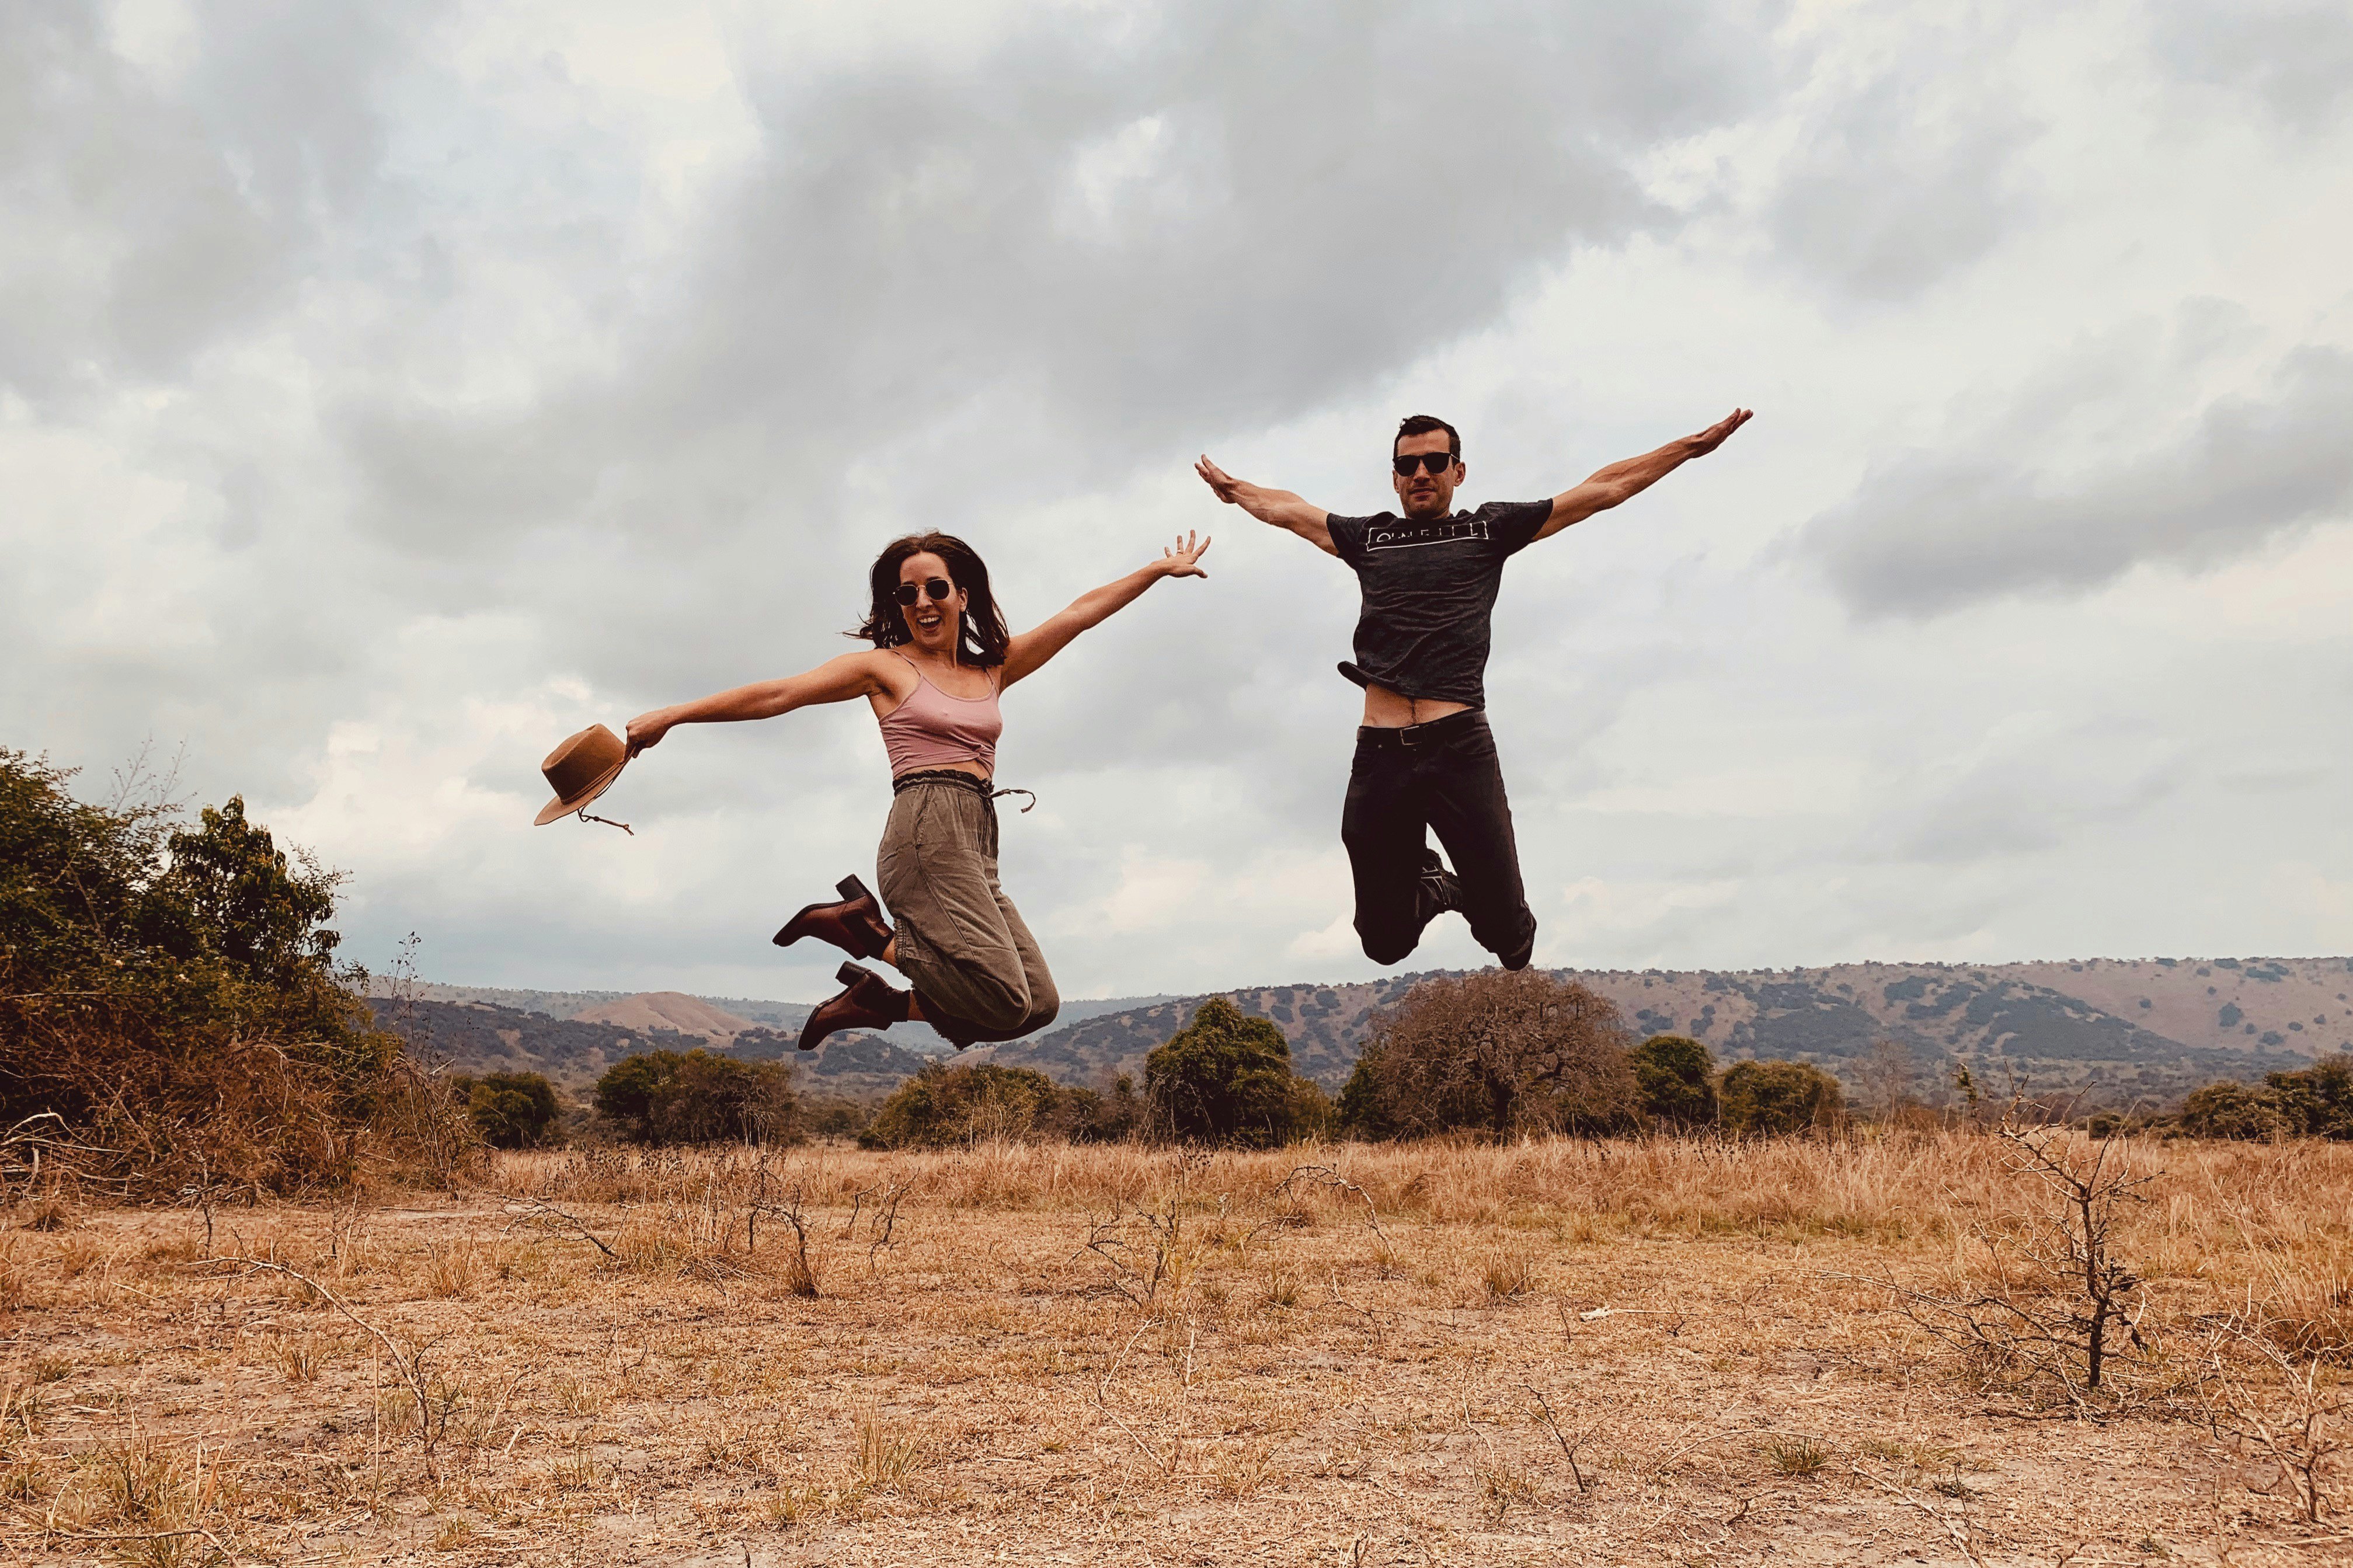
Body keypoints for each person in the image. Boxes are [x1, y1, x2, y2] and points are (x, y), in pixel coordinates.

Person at [1195, 409, 1750, 971]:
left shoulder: (1488, 529)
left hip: (1459, 749)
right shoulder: (1370, 538)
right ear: (1394, 476)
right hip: (1381, 754)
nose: (1421, 473)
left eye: (1435, 462)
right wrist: (1234, 489)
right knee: (1383, 945)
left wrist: (1690, 447)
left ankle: (1489, 908)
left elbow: (1602, 490)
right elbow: (1290, 511)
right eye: (1407, 464)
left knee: (1510, 942)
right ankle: (1432, 885)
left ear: (1458, 472)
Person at [624, 529, 1210, 1051]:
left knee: (1037, 1005)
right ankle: (864, 933)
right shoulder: (884, 668)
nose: (923, 603)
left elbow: (1079, 614)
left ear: (962, 595)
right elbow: (780, 693)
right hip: (925, 828)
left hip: (977, 838)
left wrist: (1156, 571)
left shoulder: (992, 670)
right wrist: (673, 714)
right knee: (1005, 997)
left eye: (935, 588)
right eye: (908, 595)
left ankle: (878, 1002)